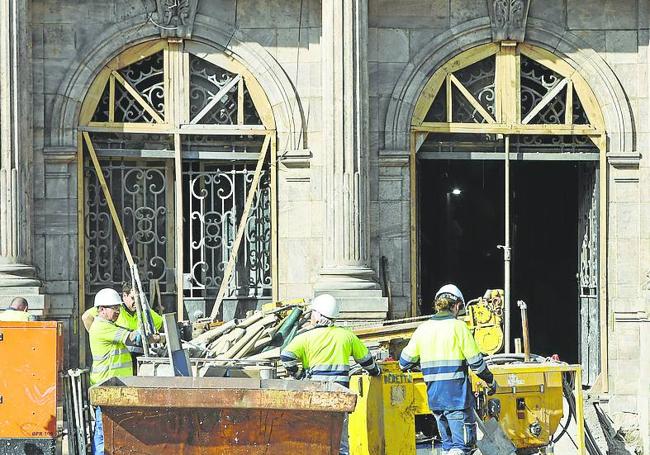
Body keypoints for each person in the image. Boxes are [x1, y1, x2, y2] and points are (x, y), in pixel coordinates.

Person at [399, 284, 497, 455]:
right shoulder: (458, 328)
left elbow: (403, 363)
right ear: (457, 305)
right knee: (461, 447)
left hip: (436, 399)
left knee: (447, 446)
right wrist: (491, 380)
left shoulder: (423, 329)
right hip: (456, 398)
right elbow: (477, 364)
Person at [280, 294, 381, 455]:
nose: (312, 316)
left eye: (313, 312)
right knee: (340, 439)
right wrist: (376, 372)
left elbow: (286, 356)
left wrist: (298, 375)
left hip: (315, 395)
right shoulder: (346, 336)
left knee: (315, 437)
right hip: (340, 395)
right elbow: (367, 360)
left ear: (319, 315)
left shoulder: (306, 337)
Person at [89, 288, 160, 455]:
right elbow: (132, 337)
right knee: (102, 431)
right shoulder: (102, 327)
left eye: (118, 308)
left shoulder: (108, 325)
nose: (117, 312)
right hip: (105, 385)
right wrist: (155, 337)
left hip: (112, 385)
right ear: (102, 309)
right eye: (114, 308)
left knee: (109, 429)